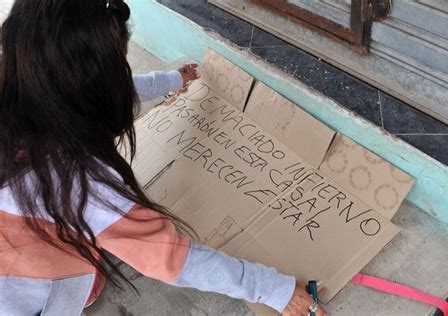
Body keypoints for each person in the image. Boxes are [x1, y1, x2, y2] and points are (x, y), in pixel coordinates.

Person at [0, 1, 326, 315]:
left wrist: (171, 80)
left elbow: (107, 89)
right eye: (118, 68)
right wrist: (274, 290)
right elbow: (172, 258)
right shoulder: (80, 183)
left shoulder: (21, 79)